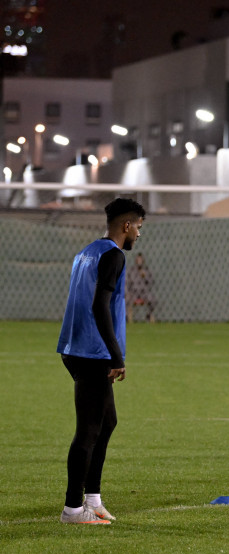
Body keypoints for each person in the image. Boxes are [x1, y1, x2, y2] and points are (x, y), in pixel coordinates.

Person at [56, 198, 146, 524]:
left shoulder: (87, 252)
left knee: (107, 423)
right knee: (88, 431)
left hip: (76, 347)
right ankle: (72, 509)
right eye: (138, 227)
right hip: (91, 352)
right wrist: (116, 354)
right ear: (126, 225)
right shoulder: (114, 256)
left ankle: (92, 499)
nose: (138, 233)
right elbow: (99, 307)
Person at [126, 253, 156, 323]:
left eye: (140, 259)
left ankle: (148, 315)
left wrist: (145, 276)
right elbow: (127, 283)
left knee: (152, 300)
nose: (139, 261)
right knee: (126, 299)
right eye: (138, 259)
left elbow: (151, 282)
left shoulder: (146, 270)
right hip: (133, 293)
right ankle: (126, 317)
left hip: (143, 293)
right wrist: (128, 292)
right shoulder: (131, 271)